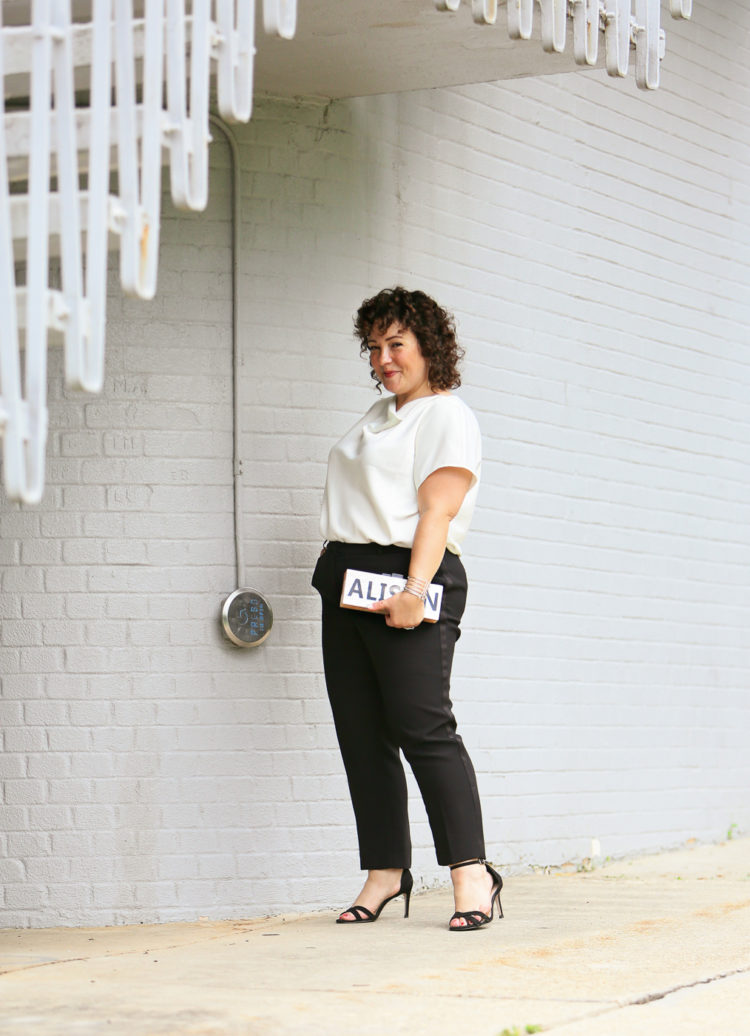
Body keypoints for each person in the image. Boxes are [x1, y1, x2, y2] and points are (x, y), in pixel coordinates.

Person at [311, 286, 503, 931]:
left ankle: (472, 875)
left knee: (424, 729)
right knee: (361, 733)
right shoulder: (377, 415)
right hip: (348, 578)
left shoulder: (446, 415)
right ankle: (385, 873)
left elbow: (438, 511)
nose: (384, 358)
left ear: (429, 346)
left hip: (406, 573)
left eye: (397, 343)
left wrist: (415, 591)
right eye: (375, 347)